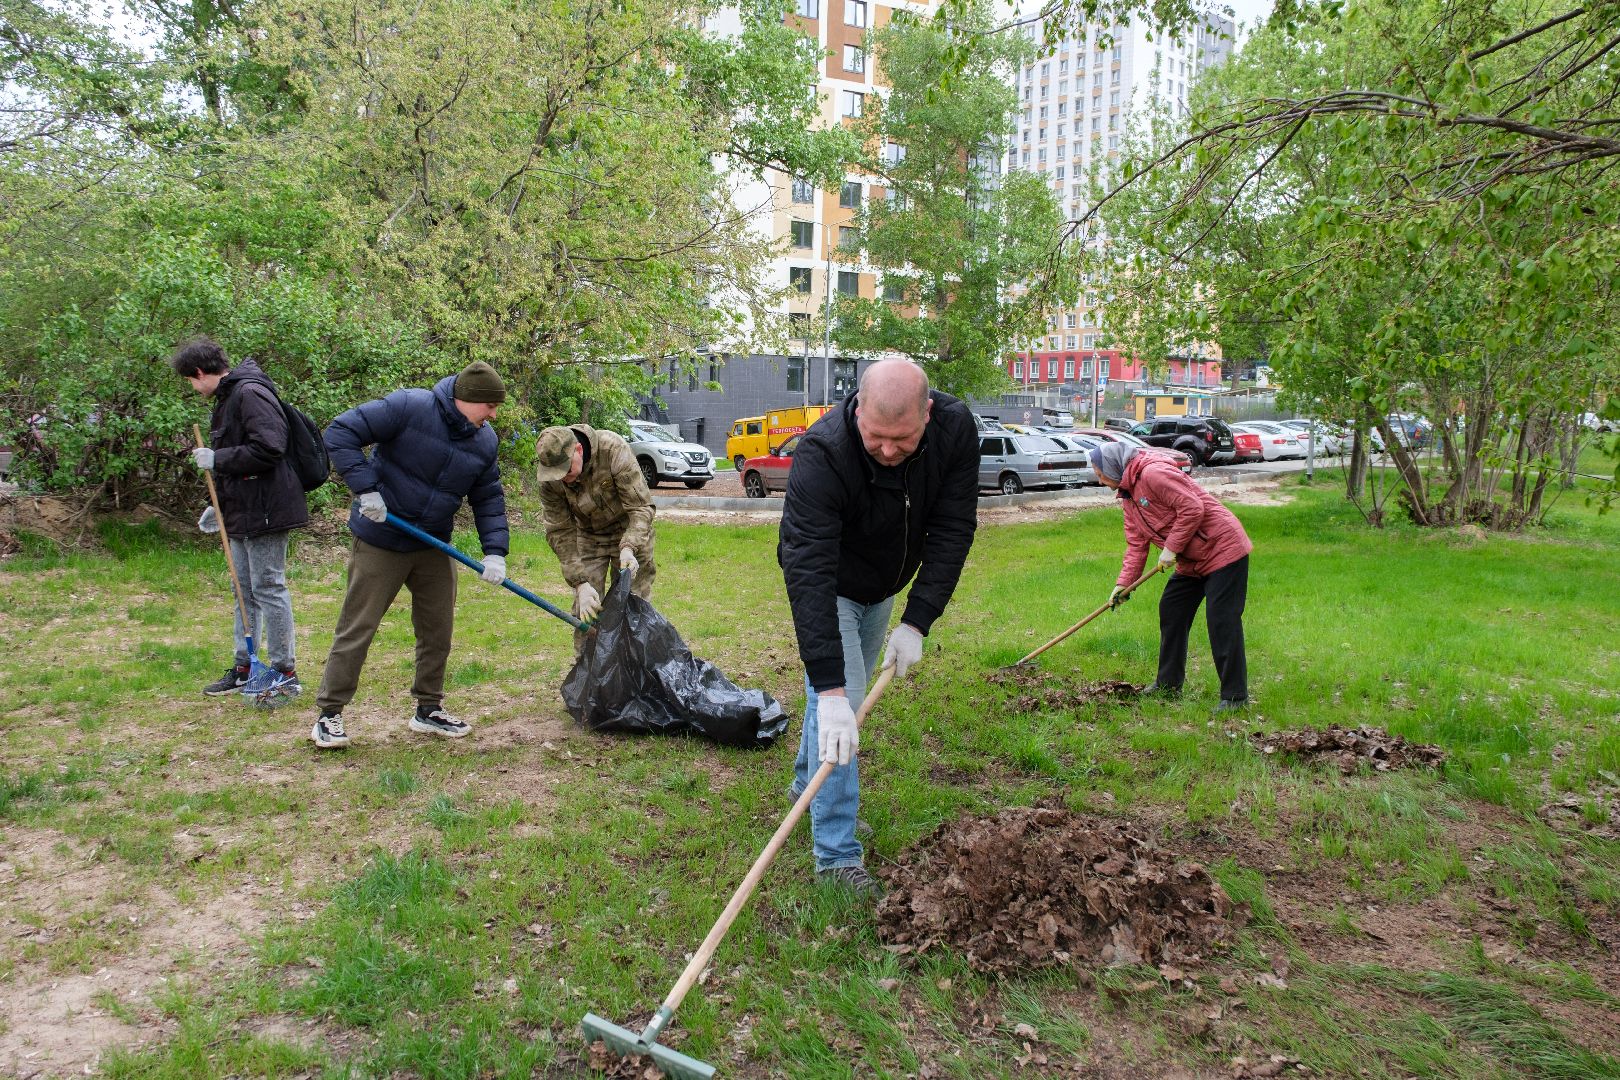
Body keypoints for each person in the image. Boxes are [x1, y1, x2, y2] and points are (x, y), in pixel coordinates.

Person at [778, 359, 980, 895]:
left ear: (928, 414)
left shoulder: (956, 430)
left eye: (904, 439)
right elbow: (809, 569)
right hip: (834, 588)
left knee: (839, 711)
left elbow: (954, 528)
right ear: (857, 408)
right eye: (876, 438)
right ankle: (836, 855)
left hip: (886, 586)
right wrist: (828, 683)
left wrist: (917, 621)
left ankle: (808, 791)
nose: (889, 451)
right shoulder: (821, 454)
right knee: (840, 706)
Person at [310, 362, 511, 749]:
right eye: (489, 407)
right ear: (466, 400)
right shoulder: (409, 406)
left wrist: (495, 552)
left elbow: (488, 498)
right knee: (358, 627)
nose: (493, 415)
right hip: (381, 538)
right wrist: (366, 489)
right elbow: (341, 431)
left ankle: (428, 709)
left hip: (433, 543)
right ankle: (329, 714)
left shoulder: (484, 441)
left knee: (438, 630)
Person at [171, 336, 309, 698]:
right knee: (243, 590)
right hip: (242, 508)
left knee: (268, 587)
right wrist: (217, 505)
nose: (192, 387)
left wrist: (219, 458)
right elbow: (240, 460)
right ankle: (246, 667)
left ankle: (284, 672)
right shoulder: (228, 397)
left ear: (200, 372)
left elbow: (270, 448)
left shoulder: (249, 393)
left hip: (268, 509)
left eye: (190, 380)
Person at [1090, 439, 1253, 710]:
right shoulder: (1128, 498)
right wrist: (1123, 585)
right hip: (1192, 560)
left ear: (1113, 466)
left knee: (1221, 619)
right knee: (1172, 609)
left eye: (1099, 474)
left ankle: (1235, 697)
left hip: (1223, 548)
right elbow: (1136, 546)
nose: (1099, 481)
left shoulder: (1153, 474)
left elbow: (1192, 508)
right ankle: (1168, 685)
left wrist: (1171, 547)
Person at [532, 424, 656, 639]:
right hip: (589, 537)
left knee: (634, 606)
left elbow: (640, 507)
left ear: (578, 450)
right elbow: (559, 531)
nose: (562, 478)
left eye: (566, 469)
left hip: (629, 530)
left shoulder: (612, 450)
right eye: (556, 473)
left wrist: (629, 547)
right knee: (586, 611)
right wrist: (579, 583)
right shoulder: (550, 477)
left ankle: (634, 668)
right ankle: (588, 669)